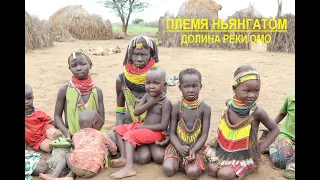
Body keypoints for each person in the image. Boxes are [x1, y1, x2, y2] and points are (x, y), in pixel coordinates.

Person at [205, 65, 280, 180]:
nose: (252, 95)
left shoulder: (257, 112)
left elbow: (275, 129)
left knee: (224, 175)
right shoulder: (229, 105)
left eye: (256, 91)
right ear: (234, 89)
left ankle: (249, 168)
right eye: (247, 91)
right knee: (211, 169)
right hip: (227, 149)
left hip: (246, 154)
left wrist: (260, 148)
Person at [114, 35, 168, 165]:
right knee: (143, 157)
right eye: (135, 54)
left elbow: (164, 110)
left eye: (144, 54)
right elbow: (120, 109)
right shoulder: (121, 79)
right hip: (132, 126)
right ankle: (127, 153)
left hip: (154, 129)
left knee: (159, 157)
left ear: (152, 55)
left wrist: (168, 133)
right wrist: (120, 128)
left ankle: (137, 147)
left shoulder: (157, 79)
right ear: (129, 55)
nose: (139, 58)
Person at [110, 67, 172, 179]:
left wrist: (143, 127)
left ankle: (129, 168)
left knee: (130, 135)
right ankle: (124, 157)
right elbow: (136, 111)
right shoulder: (148, 96)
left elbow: (163, 126)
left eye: (156, 83)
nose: (151, 86)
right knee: (119, 130)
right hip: (144, 127)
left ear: (164, 85)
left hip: (156, 132)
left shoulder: (166, 102)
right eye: (148, 83)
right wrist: (150, 103)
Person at [39, 109, 117, 180]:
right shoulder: (102, 135)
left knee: (69, 156)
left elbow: (73, 143)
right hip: (93, 170)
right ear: (94, 124)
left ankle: (55, 176)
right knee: (83, 158)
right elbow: (113, 149)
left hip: (77, 168)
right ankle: (69, 177)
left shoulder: (77, 135)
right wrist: (114, 153)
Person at [162, 68, 211, 180]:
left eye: (194, 86)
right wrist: (179, 147)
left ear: (200, 86)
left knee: (193, 173)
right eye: (186, 86)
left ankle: (188, 164)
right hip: (177, 145)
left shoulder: (205, 108)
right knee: (168, 169)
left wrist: (193, 150)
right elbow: (172, 133)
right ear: (180, 87)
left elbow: (204, 135)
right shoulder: (175, 108)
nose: (191, 90)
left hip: (196, 146)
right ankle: (178, 161)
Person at [53, 49, 105, 139]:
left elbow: (102, 119)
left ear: (90, 65)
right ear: (70, 68)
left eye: (83, 64)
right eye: (74, 66)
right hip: (72, 135)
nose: (78, 68)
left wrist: (92, 135)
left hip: (94, 136)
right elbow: (57, 116)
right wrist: (66, 132)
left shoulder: (97, 91)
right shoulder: (64, 90)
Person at [260, 93, 295, 179]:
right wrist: (270, 129)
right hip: (287, 136)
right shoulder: (290, 98)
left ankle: (279, 150)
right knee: (281, 161)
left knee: (290, 156)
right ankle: (272, 147)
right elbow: (281, 114)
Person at [25, 83, 62, 153]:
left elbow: (50, 121)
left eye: (29, 98)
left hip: (44, 129)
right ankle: (54, 143)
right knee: (48, 147)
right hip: (36, 140)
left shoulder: (38, 112)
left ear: (33, 98)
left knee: (55, 133)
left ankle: (57, 137)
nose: (26, 101)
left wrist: (62, 128)